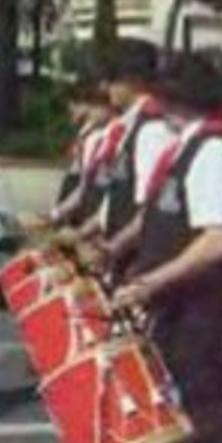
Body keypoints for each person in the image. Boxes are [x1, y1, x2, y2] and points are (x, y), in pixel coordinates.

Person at [113, 54, 222, 443]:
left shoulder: (218, 153)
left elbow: (217, 241)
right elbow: (158, 215)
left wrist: (151, 282)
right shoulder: (184, 150)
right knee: (175, 419)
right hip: (180, 306)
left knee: (202, 425)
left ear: (174, 103)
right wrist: (115, 249)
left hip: (207, 311)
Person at [77, 40, 175, 279]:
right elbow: (117, 196)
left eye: (111, 78)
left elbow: (150, 211)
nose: (104, 86)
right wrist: (85, 233)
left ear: (133, 80)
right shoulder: (130, 126)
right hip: (121, 256)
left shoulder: (152, 130)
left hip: (138, 262)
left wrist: (112, 249)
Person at [45, 83, 113, 228]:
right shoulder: (90, 136)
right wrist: (56, 213)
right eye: (91, 105)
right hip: (83, 204)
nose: (91, 112)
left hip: (97, 214)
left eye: (97, 106)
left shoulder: (108, 138)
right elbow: (84, 185)